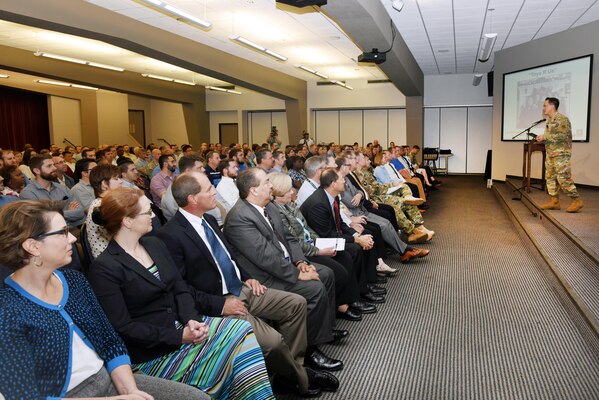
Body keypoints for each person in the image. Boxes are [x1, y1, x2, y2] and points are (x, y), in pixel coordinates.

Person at [0, 200, 206, 399]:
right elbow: (24, 396)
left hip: (110, 379)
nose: (73, 238)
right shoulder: (7, 311)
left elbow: (110, 341)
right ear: (32, 247)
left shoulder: (74, 280)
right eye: (62, 233)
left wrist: (130, 391)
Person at [156, 172, 338, 397]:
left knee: (297, 303)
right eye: (208, 189)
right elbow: (181, 288)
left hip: (242, 286)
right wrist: (221, 305)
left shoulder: (209, 220)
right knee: (272, 341)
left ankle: (288, 373)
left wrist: (246, 276)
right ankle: (299, 377)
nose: (215, 191)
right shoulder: (170, 235)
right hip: (219, 302)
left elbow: (230, 255)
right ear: (193, 199)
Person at [89, 187, 275, 399]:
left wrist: (191, 320)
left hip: (183, 327)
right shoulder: (104, 268)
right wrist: (179, 336)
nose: (152, 215)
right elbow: (124, 328)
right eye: (146, 212)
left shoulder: (154, 244)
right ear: (127, 221)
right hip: (155, 351)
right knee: (241, 346)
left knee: (242, 330)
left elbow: (180, 288)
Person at [224, 168, 346, 372]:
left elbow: (289, 237)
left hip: (287, 265)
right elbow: (265, 257)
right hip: (264, 277)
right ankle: (309, 352)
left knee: (326, 274)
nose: (271, 185)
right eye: (266, 183)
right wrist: (299, 274)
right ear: (253, 190)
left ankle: (320, 333)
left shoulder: (269, 206)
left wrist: (299, 262)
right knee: (314, 289)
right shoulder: (239, 218)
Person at [270, 172, 375, 321]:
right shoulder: (277, 212)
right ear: (278, 193)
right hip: (303, 252)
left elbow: (307, 229)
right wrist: (318, 249)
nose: (292, 192)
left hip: (314, 243)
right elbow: (294, 241)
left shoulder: (290, 205)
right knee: (339, 268)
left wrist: (319, 242)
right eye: (288, 190)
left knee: (345, 255)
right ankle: (342, 306)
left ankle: (349, 300)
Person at [536, 97, 583, 213]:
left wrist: (544, 137)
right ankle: (554, 201)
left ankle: (577, 200)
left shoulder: (562, 119)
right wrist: (542, 137)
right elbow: (552, 137)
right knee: (550, 177)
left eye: (545, 105)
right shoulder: (549, 120)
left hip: (561, 154)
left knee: (563, 178)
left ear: (552, 106)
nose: (543, 108)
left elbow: (562, 136)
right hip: (551, 153)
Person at [20, 155, 85, 228]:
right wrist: (68, 213)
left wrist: (51, 214)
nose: (54, 168)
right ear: (37, 171)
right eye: (49, 166)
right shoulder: (28, 193)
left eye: (53, 165)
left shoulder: (62, 188)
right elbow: (39, 219)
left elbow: (80, 213)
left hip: (71, 231)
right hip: (44, 236)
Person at [86, 164, 123, 258]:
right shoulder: (100, 206)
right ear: (104, 184)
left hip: (117, 252)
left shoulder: (108, 201)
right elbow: (124, 232)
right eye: (116, 179)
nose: (121, 181)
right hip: (110, 258)